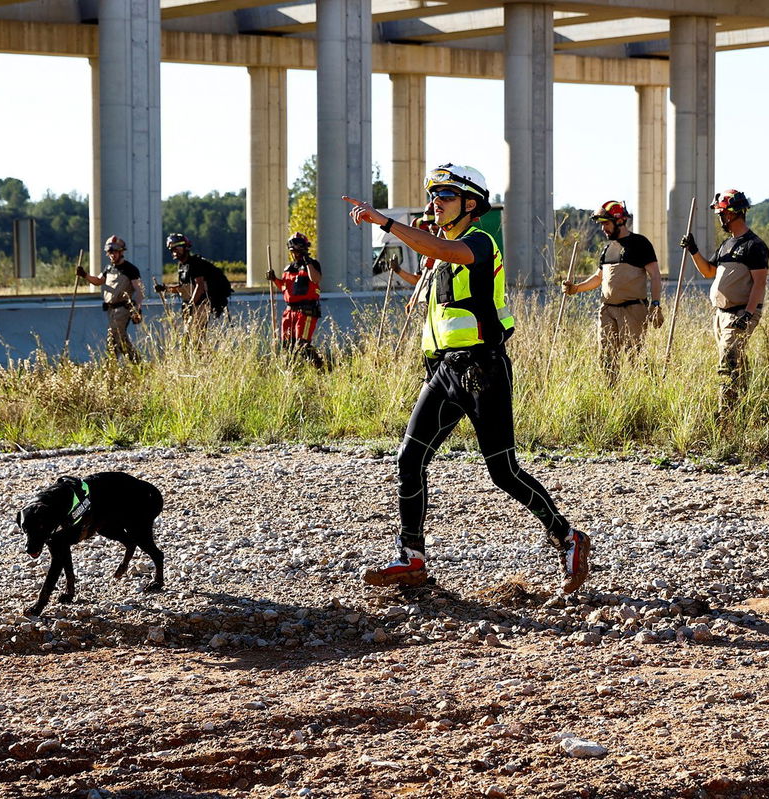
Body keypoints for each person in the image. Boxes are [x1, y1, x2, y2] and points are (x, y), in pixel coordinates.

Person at [343, 164, 591, 594]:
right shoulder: (439, 254)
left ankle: (568, 538)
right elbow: (431, 279)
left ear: (470, 204)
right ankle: (412, 558)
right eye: (432, 196)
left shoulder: (479, 241)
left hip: (483, 368)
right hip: (443, 371)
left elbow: (448, 253)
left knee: (503, 471)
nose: (434, 203)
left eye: (445, 196)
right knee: (408, 459)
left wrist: (385, 222)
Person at [679, 189, 769, 413]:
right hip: (720, 314)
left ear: (732, 214)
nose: (720, 219)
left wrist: (747, 314)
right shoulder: (726, 245)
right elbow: (708, 272)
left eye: (721, 214)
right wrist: (693, 250)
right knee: (736, 360)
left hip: (740, 314)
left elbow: (759, 284)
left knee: (727, 361)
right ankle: (749, 404)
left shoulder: (754, 245)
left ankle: (725, 413)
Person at [561, 201, 663, 383]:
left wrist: (655, 305)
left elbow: (655, 275)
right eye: (601, 224)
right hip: (607, 311)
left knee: (635, 356)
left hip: (633, 311)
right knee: (606, 357)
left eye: (606, 223)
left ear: (619, 221)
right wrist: (575, 288)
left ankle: (647, 389)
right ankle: (611, 394)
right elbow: (599, 277)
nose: (603, 228)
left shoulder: (640, 243)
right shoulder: (607, 249)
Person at [77, 235, 143, 361]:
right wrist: (84, 275)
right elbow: (98, 281)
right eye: (110, 252)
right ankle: (117, 366)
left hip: (123, 308)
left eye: (115, 252)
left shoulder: (130, 269)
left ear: (121, 252)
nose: (112, 255)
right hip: (110, 309)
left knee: (117, 336)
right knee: (115, 339)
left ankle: (134, 364)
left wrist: (137, 309)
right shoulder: (108, 268)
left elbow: (139, 291)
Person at [267, 232, 324, 363]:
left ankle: (322, 369)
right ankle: (291, 373)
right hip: (289, 312)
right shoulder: (288, 268)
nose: (295, 254)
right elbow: (284, 288)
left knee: (302, 345)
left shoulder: (313, 265)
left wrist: (307, 261)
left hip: (306, 310)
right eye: (292, 251)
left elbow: (315, 279)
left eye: (297, 251)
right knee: (287, 346)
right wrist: (274, 279)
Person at [156, 233, 233, 325]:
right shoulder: (182, 266)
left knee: (196, 335)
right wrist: (165, 289)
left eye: (177, 248)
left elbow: (199, 286)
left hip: (200, 304)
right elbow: (184, 288)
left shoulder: (195, 264)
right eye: (172, 249)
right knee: (189, 336)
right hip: (191, 305)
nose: (175, 251)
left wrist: (191, 305)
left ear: (186, 248)